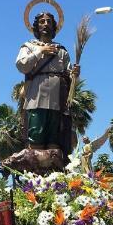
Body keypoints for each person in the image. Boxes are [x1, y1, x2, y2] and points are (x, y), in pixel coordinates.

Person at [15, 10, 79, 165]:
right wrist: (40, 51)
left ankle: (54, 174)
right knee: (36, 134)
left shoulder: (62, 51)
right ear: (36, 26)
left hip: (58, 99)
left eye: (49, 21)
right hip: (36, 97)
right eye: (42, 21)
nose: (45, 24)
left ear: (54, 26)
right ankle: (34, 174)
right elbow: (21, 65)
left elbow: (69, 77)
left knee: (54, 138)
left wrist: (75, 74)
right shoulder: (29, 47)